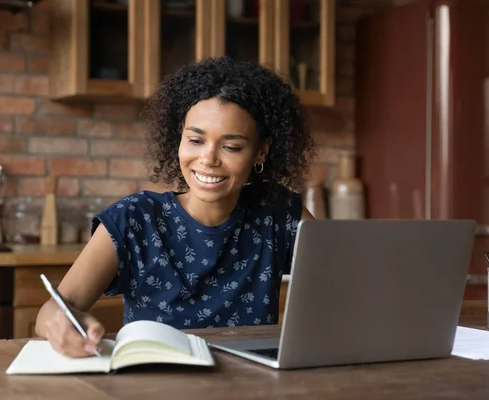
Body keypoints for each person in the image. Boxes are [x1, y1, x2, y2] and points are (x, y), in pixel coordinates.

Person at [35, 56, 316, 358]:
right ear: (179, 137)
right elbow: (52, 310)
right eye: (195, 140)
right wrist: (61, 323)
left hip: (253, 384)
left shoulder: (278, 213)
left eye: (231, 147)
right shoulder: (134, 219)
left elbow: (343, 288)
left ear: (261, 151)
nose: (208, 159)